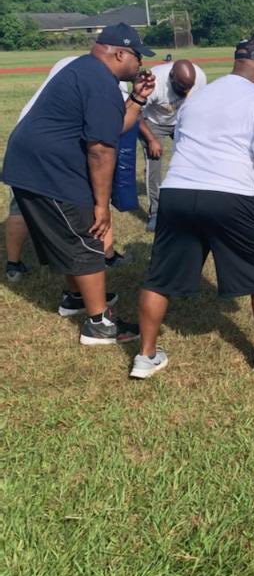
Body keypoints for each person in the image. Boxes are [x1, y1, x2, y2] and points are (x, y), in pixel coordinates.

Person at [130, 37, 254, 379]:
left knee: (158, 278)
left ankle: (145, 356)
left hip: (177, 193)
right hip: (233, 194)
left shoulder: (197, 98)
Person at [1, 23, 156, 342]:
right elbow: (101, 149)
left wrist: (137, 99)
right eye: (137, 56)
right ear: (119, 54)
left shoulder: (89, 71)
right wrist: (101, 205)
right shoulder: (99, 81)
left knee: (68, 237)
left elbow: (113, 126)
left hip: (32, 165)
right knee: (87, 237)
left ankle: (76, 299)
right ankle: (99, 324)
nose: (140, 63)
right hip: (47, 170)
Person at [5, 54, 139, 282]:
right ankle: (103, 265)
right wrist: (102, 203)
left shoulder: (71, 68)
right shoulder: (102, 79)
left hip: (27, 139)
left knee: (20, 209)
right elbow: (107, 135)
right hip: (53, 151)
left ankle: (13, 264)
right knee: (89, 214)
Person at [138, 59, 207, 231]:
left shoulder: (199, 77)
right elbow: (135, 112)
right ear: (171, 77)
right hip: (152, 122)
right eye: (181, 87)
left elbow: (199, 106)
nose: (186, 92)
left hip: (180, 120)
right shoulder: (154, 82)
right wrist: (151, 139)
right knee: (154, 164)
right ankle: (155, 213)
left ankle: (192, 205)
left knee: (195, 159)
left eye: (189, 88)